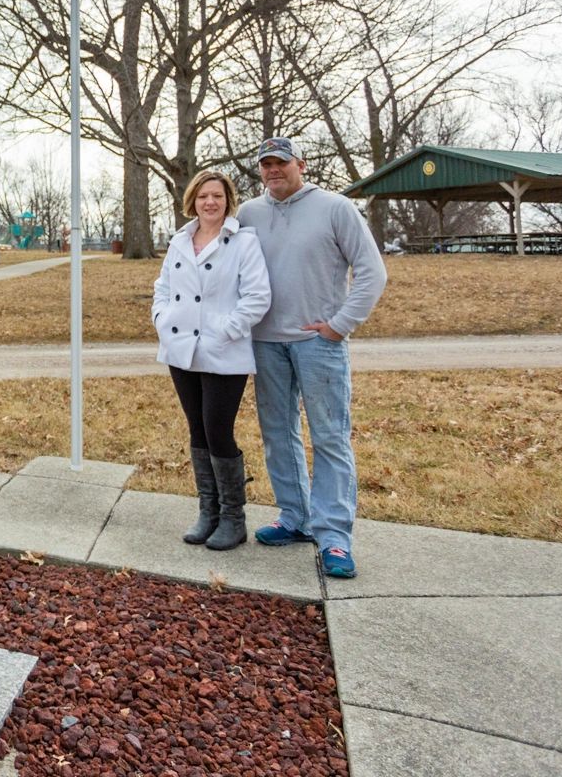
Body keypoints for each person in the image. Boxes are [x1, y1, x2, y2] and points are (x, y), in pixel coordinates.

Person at [237, 137, 387, 579]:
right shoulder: (249, 214)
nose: (272, 171)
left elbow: (372, 271)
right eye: (265, 165)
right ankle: (294, 517)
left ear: (300, 164)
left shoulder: (336, 208)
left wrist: (340, 324)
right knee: (277, 433)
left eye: (280, 163)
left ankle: (334, 537)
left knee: (329, 436)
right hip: (265, 342)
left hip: (318, 343)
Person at [151, 169, 271, 551]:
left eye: (217, 195)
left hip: (223, 351)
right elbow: (163, 288)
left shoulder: (242, 242)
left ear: (228, 200)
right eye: (203, 196)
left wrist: (226, 330)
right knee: (197, 431)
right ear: (193, 200)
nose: (210, 202)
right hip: (180, 349)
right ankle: (209, 511)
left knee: (218, 429)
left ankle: (234, 517)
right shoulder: (179, 241)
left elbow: (257, 296)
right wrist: (161, 318)